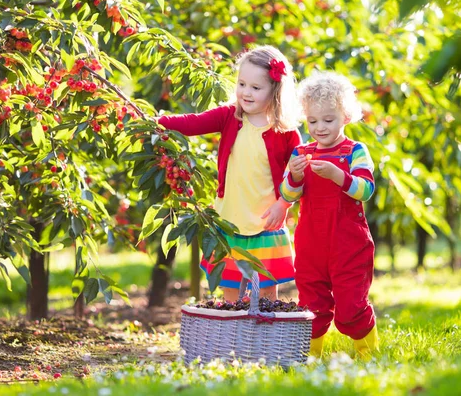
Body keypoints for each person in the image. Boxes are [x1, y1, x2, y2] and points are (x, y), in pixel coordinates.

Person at [158, 45, 302, 301]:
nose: (246, 93)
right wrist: (158, 122)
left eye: (256, 88)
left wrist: (284, 204)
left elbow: (299, 172)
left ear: (275, 91)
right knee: (231, 288)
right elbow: (193, 122)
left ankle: (264, 338)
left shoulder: (285, 131)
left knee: (268, 290)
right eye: (242, 84)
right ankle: (235, 337)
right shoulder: (229, 116)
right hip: (230, 218)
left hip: (266, 219)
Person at [279, 71, 379, 360]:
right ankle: (310, 357)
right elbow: (287, 195)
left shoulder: (355, 151)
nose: (319, 127)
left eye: (328, 120)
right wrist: (295, 176)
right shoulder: (301, 151)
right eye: (312, 121)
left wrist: (339, 175)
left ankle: (368, 354)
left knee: (350, 307)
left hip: (348, 244)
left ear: (345, 116)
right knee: (312, 305)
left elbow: (365, 189)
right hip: (311, 244)